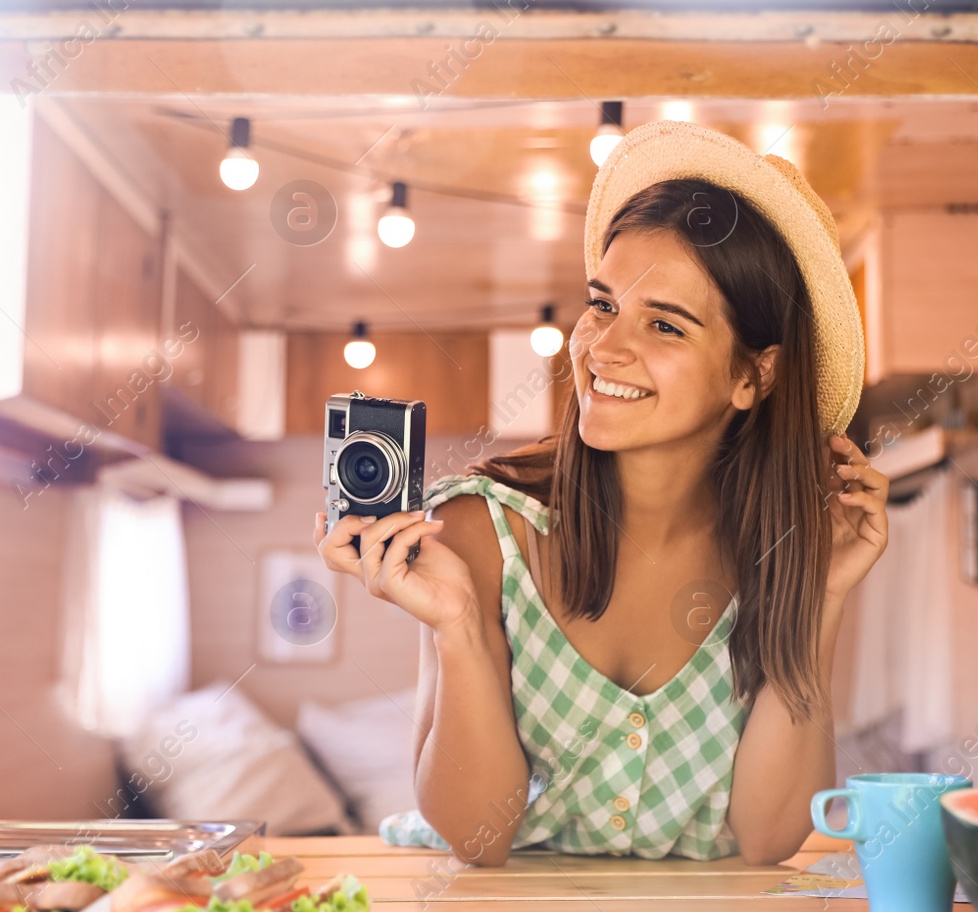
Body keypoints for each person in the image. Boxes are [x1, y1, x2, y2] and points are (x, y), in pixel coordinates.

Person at [314, 120, 889, 866]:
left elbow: (769, 837)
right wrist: (459, 625)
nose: (604, 347)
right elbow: (476, 837)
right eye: (605, 303)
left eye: (665, 325)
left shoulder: (782, 552)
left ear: (754, 375)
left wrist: (825, 595)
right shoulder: (479, 530)